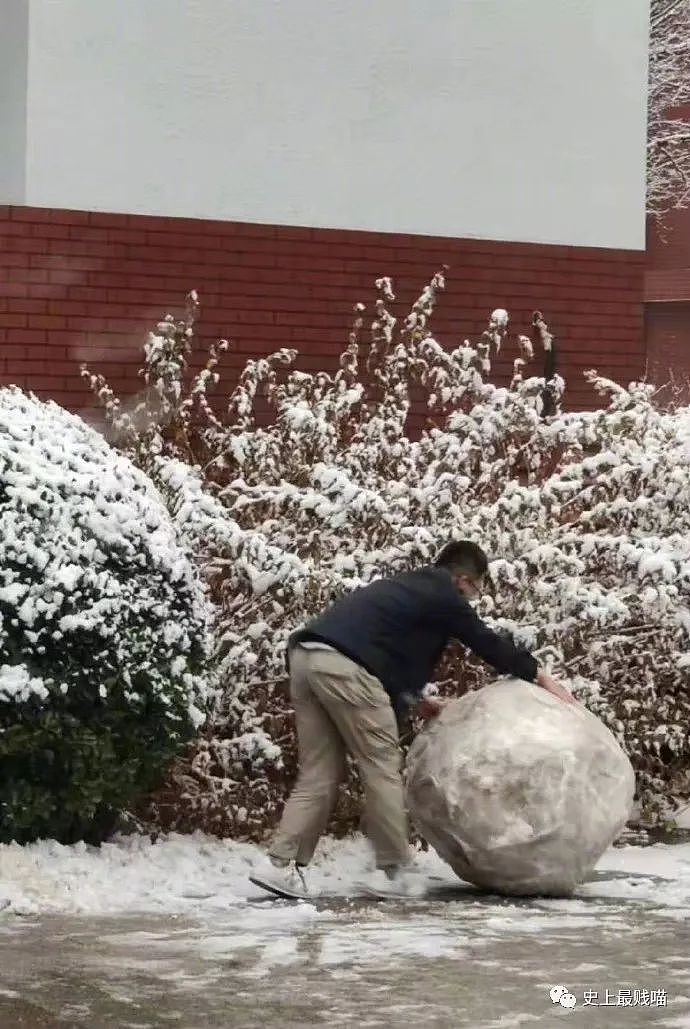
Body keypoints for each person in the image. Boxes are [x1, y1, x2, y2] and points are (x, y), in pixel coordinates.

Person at [249, 540, 573, 900]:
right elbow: (485, 642)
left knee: (318, 773)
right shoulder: (444, 595)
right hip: (345, 669)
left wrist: (414, 699)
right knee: (381, 767)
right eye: (476, 590)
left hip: (307, 658)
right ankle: (395, 873)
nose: (471, 600)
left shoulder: (407, 587)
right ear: (463, 580)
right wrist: (539, 675)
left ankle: (279, 866)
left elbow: (385, 650)